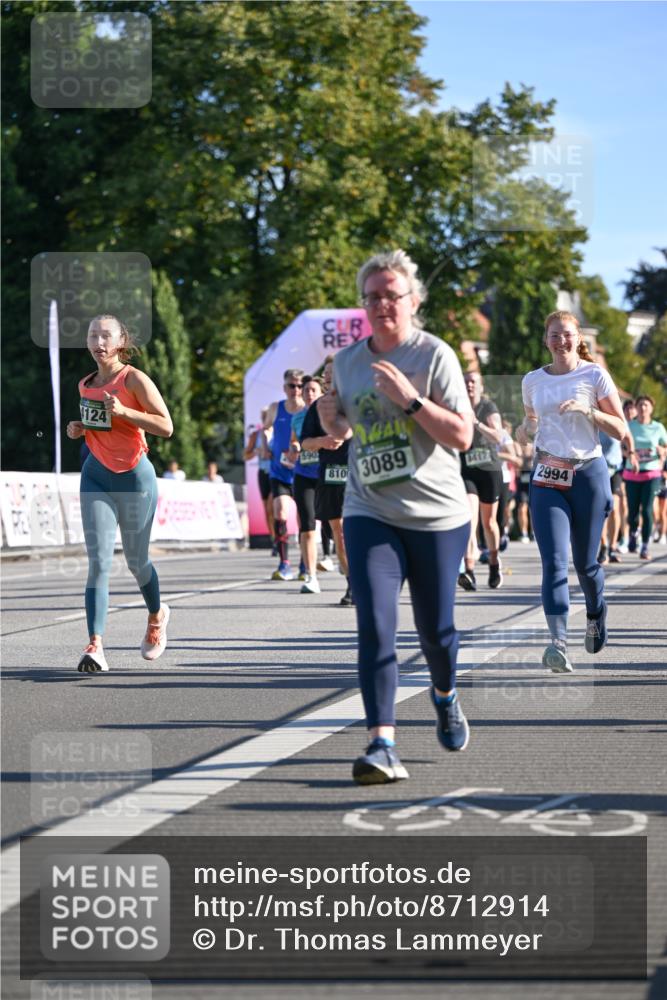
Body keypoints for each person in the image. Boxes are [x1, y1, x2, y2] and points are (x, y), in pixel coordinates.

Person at [319, 249, 474, 784]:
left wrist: (411, 401)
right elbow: (342, 431)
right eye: (373, 296)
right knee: (376, 625)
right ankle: (381, 743)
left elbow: (462, 435)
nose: (383, 304)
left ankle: (445, 694)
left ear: (413, 300)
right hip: (371, 509)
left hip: (436, 514)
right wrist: (329, 417)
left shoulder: (435, 355)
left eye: (392, 295)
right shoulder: (347, 362)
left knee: (436, 632)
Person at [516, 311, 625, 673]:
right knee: (554, 561)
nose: (560, 340)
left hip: (588, 474)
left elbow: (622, 431)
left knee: (585, 563)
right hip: (548, 474)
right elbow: (532, 421)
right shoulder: (532, 380)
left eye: (567, 334)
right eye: (554, 335)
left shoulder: (593, 375)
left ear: (579, 339)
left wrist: (589, 411)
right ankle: (557, 642)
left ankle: (595, 612)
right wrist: (523, 429)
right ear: (545, 340)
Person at [66, 314, 173, 673]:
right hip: (95, 476)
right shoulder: (85, 384)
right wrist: (81, 429)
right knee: (98, 561)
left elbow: (166, 426)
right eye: (93, 334)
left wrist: (126, 410)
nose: (98, 342)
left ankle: (157, 616)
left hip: (135, 479)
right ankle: (95, 644)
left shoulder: (135, 379)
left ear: (120, 341)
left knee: (136, 561)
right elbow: (101, 426)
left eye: (105, 336)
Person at [301, 356, 354, 606]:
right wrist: (322, 442)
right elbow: (305, 444)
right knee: (340, 532)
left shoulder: (357, 401)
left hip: (360, 474)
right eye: (327, 375)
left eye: (335, 374)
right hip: (331, 475)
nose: (330, 378)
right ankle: (353, 584)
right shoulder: (318, 407)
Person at [458, 371, 505, 590]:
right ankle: (469, 571)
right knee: (468, 518)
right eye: (466, 381)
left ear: (481, 386)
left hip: (489, 470)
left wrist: (475, 423)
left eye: (473, 382)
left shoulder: (488, 407)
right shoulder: (455, 404)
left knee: (489, 523)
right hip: (466, 469)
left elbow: (498, 436)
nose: (469, 385)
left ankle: (494, 563)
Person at [265, 368, 305, 580]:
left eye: (300, 386)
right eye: (292, 385)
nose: (296, 390)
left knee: (302, 519)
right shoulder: (275, 408)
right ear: (285, 387)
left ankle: (305, 565)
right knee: (280, 513)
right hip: (279, 471)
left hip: (302, 472)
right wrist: (264, 445)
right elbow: (265, 429)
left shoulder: (308, 409)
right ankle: (284, 564)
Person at [290, 375, 324, 593]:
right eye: (306, 390)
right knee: (308, 526)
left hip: (329, 474)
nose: (309, 393)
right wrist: (294, 446)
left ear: (321, 393)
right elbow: (294, 439)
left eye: (313, 390)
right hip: (303, 473)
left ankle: (344, 564)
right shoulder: (298, 417)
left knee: (337, 526)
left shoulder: (330, 412)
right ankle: (311, 575)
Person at [622, 395, 667, 560]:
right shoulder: (629, 426)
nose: (642, 408)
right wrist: (629, 454)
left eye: (646, 405)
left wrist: (663, 451)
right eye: (640, 405)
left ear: (651, 408)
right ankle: (634, 532)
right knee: (632, 511)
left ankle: (645, 546)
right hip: (632, 473)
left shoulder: (658, 427)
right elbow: (621, 446)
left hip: (651, 473)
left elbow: (665, 446)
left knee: (647, 510)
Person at [243, 408, 275, 547]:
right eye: (263, 417)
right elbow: (245, 455)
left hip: (276, 472)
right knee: (267, 510)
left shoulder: (278, 432)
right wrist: (256, 451)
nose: (265, 420)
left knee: (273, 506)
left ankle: (281, 537)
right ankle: (274, 538)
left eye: (267, 417)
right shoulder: (256, 435)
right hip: (263, 472)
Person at [616, 398, 637, 552]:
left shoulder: (639, 427)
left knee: (634, 506)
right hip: (619, 467)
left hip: (636, 469)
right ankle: (623, 538)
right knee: (621, 504)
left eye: (632, 409)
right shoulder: (618, 422)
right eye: (627, 409)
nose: (630, 411)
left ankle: (635, 533)